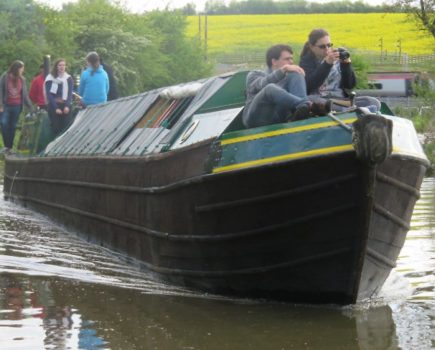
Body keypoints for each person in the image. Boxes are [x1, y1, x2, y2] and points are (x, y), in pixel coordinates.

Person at [243, 44, 330, 129]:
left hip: (279, 118)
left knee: (296, 73)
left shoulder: (288, 77)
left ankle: (303, 113)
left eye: (291, 58)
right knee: (270, 88)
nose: (291, 62)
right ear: (274, 61)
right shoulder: (255, 74)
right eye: (287, 59)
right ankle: (307, 106)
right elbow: (260, 84)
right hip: (256, 119)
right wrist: (283, 70)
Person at [300, 28, 380, 111]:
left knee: (373, 102)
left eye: (329, 45)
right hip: (321, 99)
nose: (327, 49)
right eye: (322, 46)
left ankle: (354, 110)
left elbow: (350, 85)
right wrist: (327, 64)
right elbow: (310, 85)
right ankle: (357, 111)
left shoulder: (337, 57)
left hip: (341, 100)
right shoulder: (306, 61)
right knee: (311, 99)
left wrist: (346, 65)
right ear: (312, 47)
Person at [0, 60, 35, 153]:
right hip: (6, 105)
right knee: (4, 124)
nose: (23, 70)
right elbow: (0, 91)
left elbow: (25, 95)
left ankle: (9, 147)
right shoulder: (5, 77)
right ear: (17, 68)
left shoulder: (22, 79)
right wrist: (1, 105)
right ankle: (6, 146)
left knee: (13, 126)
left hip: (17, 106)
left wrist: (31, 108)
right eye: (22, 68)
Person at [45, 58, 74, 136]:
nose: (62, 67)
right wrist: (56, 108)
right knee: (56, 127)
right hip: (54, 105)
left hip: (65, 104)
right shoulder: (50, 78)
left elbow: (69, 93)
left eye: (63, 65)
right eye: (60, 65)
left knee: (66, 127)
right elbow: (49, 94)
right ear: (56, 67)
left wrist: (67, 106)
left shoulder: (68, 78)